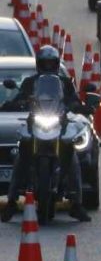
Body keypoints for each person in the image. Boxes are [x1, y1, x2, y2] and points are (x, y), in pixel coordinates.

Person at [2, 46, 91, 223]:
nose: (49, 66)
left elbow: (73, 101)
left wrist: (81, 107)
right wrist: (12, 103)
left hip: (59, 124)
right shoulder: (30, 82)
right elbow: (19, 97)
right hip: (36, 123)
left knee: (72, 156)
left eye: (52, 63)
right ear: (39, 64)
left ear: (57, 64)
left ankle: (76, 204)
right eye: (45, 63)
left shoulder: (65, 83)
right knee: (21, 156)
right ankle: (11, 202)